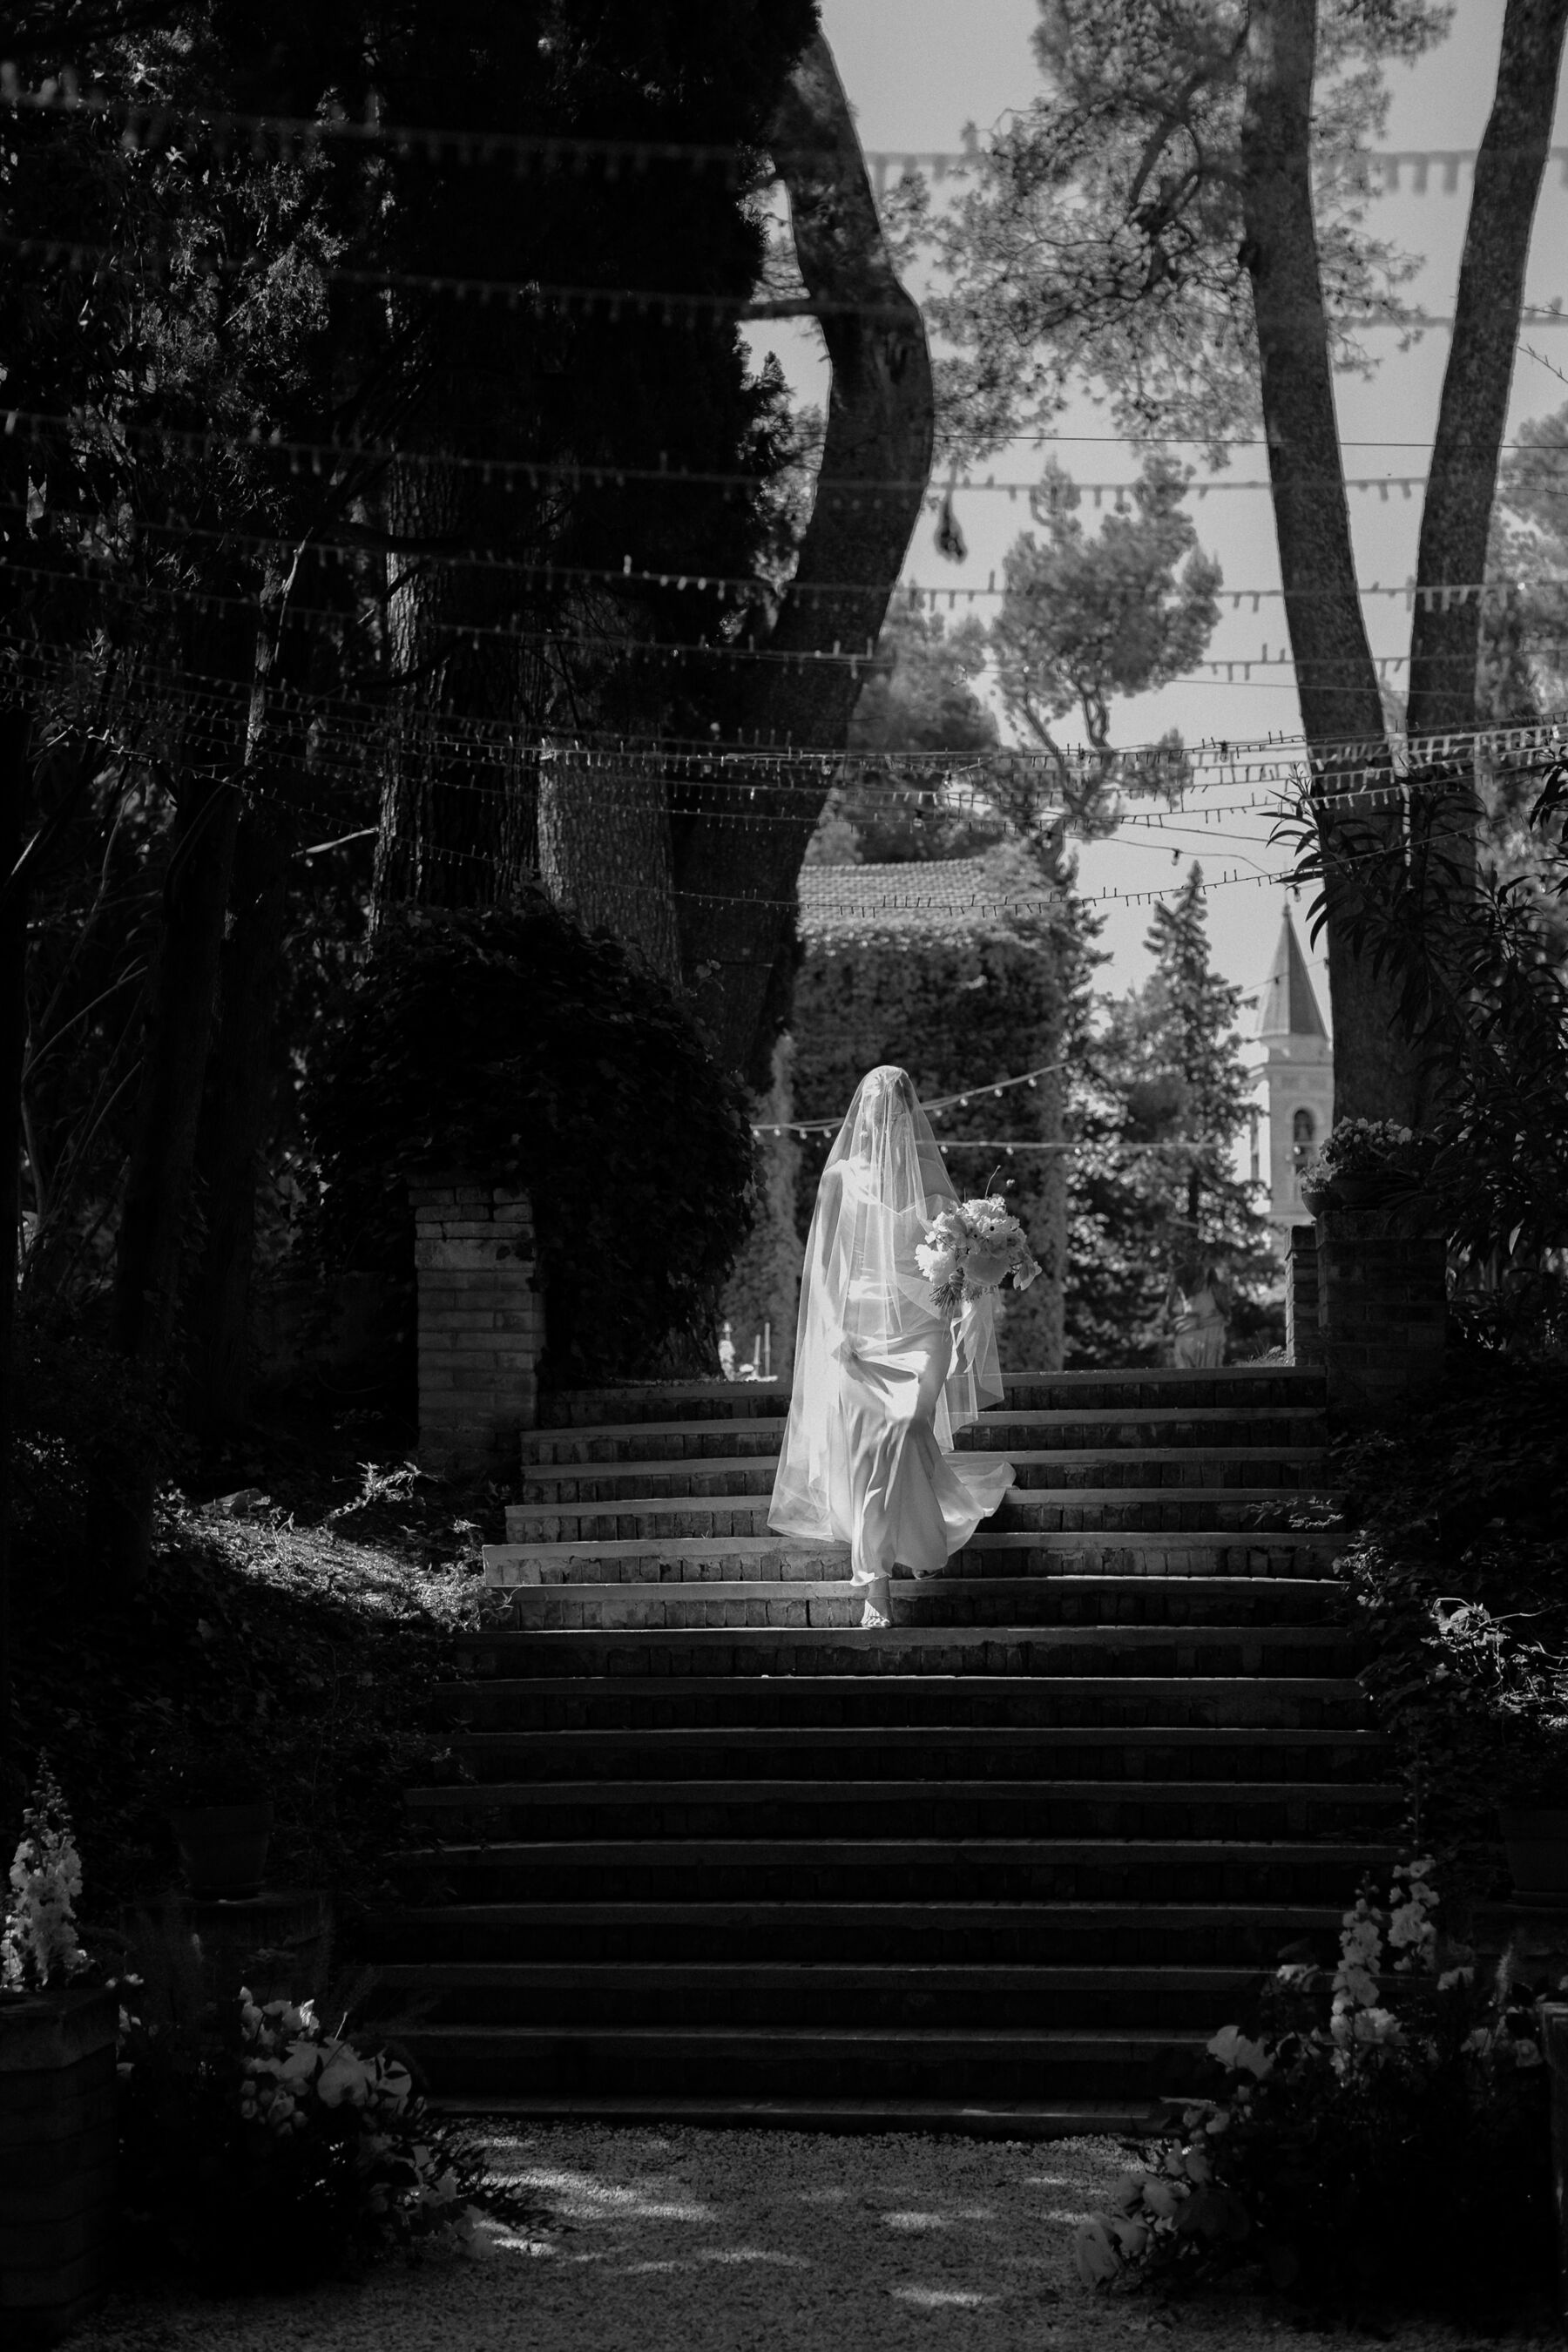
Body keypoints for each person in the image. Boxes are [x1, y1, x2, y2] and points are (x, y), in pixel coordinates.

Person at [768, 1065, 1015, 1626]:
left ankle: (894, 1558)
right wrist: (833, 1334)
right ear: (865, 1112)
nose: (887, 1116)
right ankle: (878, 1583)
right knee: (871, 1448)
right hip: (859, 1328)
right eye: (878, 1106)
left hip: (921, 1328)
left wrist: (989, 1258)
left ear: (908, 1113)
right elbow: (825, 1270)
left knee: (904, 1426)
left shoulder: (931, 1179)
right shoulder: (840, 1180)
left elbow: (961, 1266)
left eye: (897, 1106)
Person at [1166, 1257, 1233, 1368]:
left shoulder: (1182, 1282)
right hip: (1209, 1334)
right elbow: (1225, 1311)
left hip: (1187, 1335)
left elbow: (1169, 1306)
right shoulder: (1213, 1287)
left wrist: (1178, 1319)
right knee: (1209, 1376)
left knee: (1187, 1377)